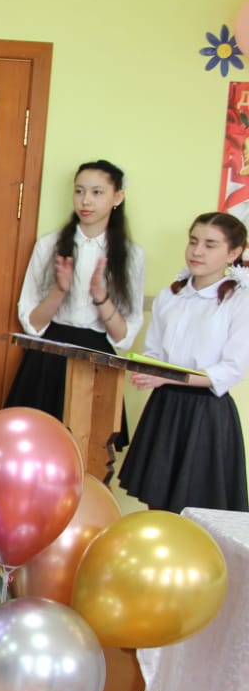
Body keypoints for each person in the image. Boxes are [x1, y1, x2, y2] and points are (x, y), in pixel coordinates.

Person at [5, 159, 145, 450]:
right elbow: (31, 323)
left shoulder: (131, 256)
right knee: (36, 447)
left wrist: (101, 297)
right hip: (48, 356)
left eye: (97, 192)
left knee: (88, 453)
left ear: (117, 197)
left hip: (97, 360)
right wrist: (60, 290)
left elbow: (124, 336)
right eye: (79, 191)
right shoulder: (49, 245)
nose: (86, 200)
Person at [118, 211, 249, 513]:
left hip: (207, 413)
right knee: (159, 504)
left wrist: (165, 376)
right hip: (165, 407)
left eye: (210, 245)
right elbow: (153, 352)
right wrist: (146, 368)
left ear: (233, 253)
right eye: (193, 241)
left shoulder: (239, 302)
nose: (197, 251)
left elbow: (230, 370)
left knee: (198, 509)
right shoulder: (170, 295)